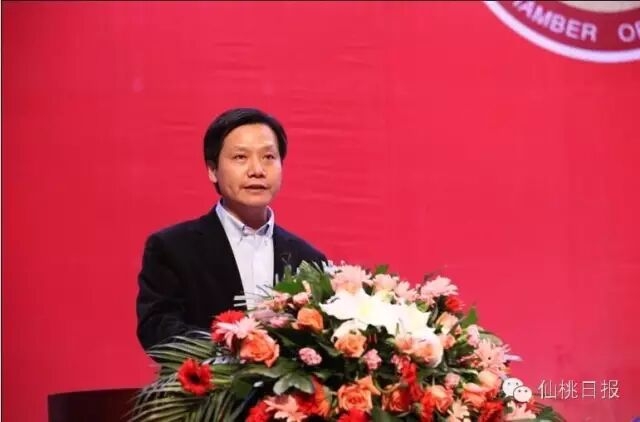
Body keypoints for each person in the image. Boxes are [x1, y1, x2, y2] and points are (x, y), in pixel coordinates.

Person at [136, 107, 327, 351]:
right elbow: (157, 329)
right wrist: (236, 345)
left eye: (268, 157)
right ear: (212, 170)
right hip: (206, 374)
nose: (257, 170)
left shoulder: (309, 260)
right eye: (240, 157)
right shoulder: (173, 249)